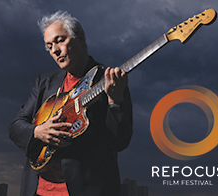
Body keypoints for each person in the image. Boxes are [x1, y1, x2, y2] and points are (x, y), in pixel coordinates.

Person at [9, 10, 133, 196]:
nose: (54, 50)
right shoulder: (44, 82)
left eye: (59, 40)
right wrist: (38, 131)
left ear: (80, 38)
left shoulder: (109, 79)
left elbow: (120, 141)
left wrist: (115, 101)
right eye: (49, 46)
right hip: (39, 190)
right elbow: (16, 127)